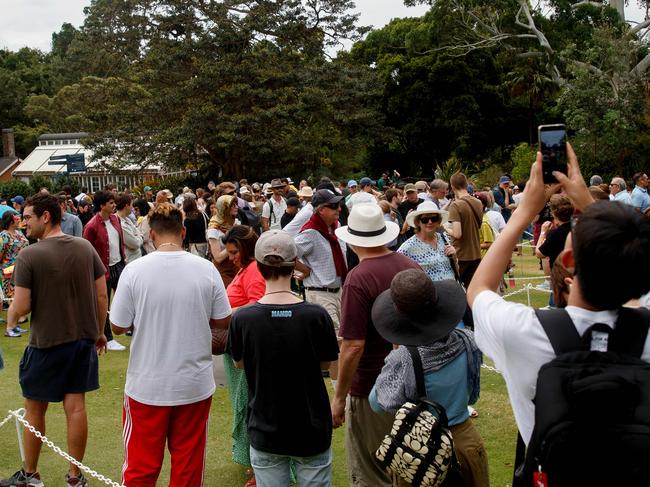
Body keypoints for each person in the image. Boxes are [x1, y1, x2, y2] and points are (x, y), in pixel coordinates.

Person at [467, 143, 650, 449]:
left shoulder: (525, 331)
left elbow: (479, 289)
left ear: (567, 264)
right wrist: (587, 200)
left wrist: (525, 210)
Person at [110, 203, 232, 486]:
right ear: (183, 231)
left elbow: (118, 325)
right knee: (188, 467)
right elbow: (223, 321)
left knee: (141, 467)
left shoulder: (135, 270)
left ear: (151, 234)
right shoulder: (206, 270)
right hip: (193, 383)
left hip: (148, 384)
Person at [0, 193, 108, 487]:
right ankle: (75, 477)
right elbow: (102, 294)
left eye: (29, 218)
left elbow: (20, 306)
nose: (24, 224)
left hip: (45, 344)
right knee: (76, 408)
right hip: (82, 341)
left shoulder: (29, 255)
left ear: (45, 217)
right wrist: (99, 332)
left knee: (35, 409)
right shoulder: (84, 247)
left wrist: (10, 319)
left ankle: (31, 475)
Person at [226, 230, 339, 487]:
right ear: (293, 263)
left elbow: (239, 363)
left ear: (260, 265)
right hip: (310, 425)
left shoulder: (244, 319)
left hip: (266, 425)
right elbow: (324, 363)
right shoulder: (316, 315)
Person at [369, 269, 489, 487]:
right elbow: (472, 396)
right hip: (465, 441)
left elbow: (378, 402)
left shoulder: (403, 359)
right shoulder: (468, 341)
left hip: (421, 450)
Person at [331, 204, 419, 487]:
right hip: (412, 380)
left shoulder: (358, 278)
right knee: (406, 467)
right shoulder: (409, 265)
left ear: (352, 239)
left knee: (372, 471)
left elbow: (353, 345)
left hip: (372, 385)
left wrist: (339, 396)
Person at [221, 225, 266, 487]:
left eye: (235, 251)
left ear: (246, 249)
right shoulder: (246, 269)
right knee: (245, 404)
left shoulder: (253, 271)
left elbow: (257, 305)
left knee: (250, 405)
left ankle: (261, 466)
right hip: (239, 347)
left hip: (248, 350)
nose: (231, 257)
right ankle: (255, 463)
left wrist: (228, 313)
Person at [294, 189, 347, 385]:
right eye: (333, 206)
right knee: (335, 343)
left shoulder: (334, 228)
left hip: (338, 290)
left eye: (338, 205)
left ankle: (340, 387)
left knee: (342, 340)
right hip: (320, 293)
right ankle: (339, 391)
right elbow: (286, 252)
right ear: (320, 210)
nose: (338, 209)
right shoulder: (311, 232)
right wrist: (304, 270)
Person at [83, 190, 127, 351]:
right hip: (102, 270)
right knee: (104, 302)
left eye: (114, 202)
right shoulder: (91, 226)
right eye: (110, 203)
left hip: (119, 265)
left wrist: (123, 259)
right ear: (102, 205)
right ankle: (107, 337)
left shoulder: (116, 219)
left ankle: (129, 328)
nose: (114, 205)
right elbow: (87, 250)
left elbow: (119, 242)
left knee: (127, 297)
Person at [397, 201, 456, 282]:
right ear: (418, 222)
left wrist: (454, 255)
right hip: (429, 293)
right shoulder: (408, 247)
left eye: (434, 218)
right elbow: (398, 272)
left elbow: (453, 265)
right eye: (425, 219)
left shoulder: (443, 238)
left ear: (438, 221)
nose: (430, 222)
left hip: (451, 290)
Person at [446, 172, 483, 289]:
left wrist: (446, 228)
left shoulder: (456, 206)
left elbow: (457, 234)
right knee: (473, 290)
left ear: (452, 186)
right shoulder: (478, 202)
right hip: (476, 253)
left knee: (461, 290)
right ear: (466, 184)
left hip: (461, 255)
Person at [1, 211, 29, 337]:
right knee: (12, 298)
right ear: (11, 220)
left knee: (18, 297)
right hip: (8, 271)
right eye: (16, 218)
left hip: (20, 268)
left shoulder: (19, 233)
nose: (19, 220)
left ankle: (15, 325)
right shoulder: (3, 235)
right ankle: (10, 328)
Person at [207, 194, 239, 287]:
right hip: (223, 271)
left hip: (236, 266)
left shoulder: (234, 222)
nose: (236, 207)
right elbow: (218, 257)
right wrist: (234, 240)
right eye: (232, 205)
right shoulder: (214, 228)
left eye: (236, 204)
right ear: (224, 208)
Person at [116, 193, 143, 263]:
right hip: (130, 262)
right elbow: (135, 244)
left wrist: (137, 235)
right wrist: (139, 237)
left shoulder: (127, 219)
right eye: (131, 205)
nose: (133, 208)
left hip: (135, 259)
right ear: (126, 206)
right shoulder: (120, 224)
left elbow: (137, 231)